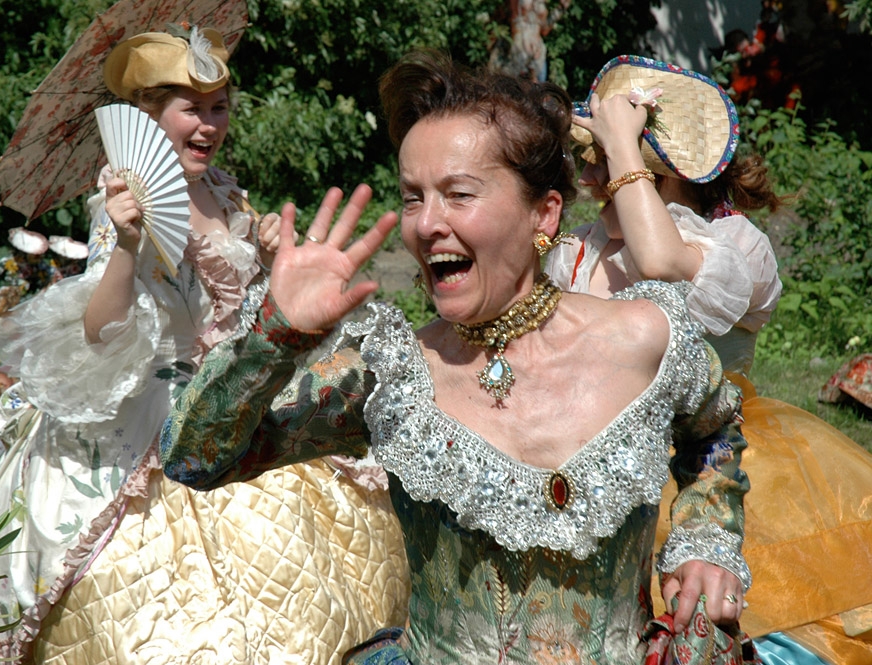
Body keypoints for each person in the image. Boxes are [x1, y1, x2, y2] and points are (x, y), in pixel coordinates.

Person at [159, 49, 756, 664]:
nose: (426, 225)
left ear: (543, 213)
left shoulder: (645, 335)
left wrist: (705, 539)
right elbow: (193, 459)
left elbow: (713, 434)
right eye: (412, 198)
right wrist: (273, 338)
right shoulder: (390, 375)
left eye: (458, 194)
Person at [0, 26, 407, 663]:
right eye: (191, 109)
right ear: (147, 116)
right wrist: (126, 246)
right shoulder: (124, 198)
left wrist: (271, 255)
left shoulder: (224, 189)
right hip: (156, 408)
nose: (209, 125)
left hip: (235, 396)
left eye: (219, 107)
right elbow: (101, 330)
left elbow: (247, 304)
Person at [549, 55, 872, 665]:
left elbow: (662, 264)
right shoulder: (580, 250)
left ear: (659, 172)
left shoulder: (732, 246)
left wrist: (623, 145)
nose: (588, 177)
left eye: (603, 159)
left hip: (719, 461)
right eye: (591, 158)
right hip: (601, 461)